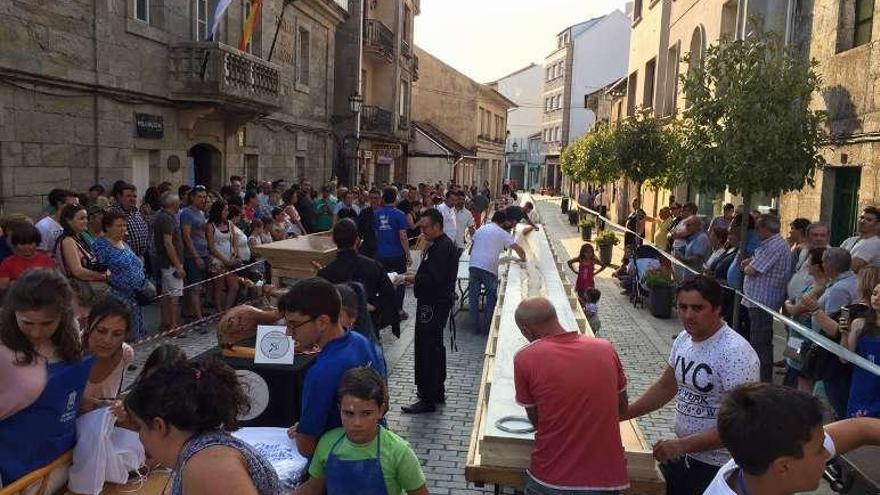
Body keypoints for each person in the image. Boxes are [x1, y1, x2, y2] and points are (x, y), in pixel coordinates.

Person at [623, 276, 759, 495]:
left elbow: (743, 425)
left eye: (697, 308)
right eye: (682, 307)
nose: (688, 315)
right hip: (684, 457)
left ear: (717, 309)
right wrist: (622, 414)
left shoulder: (736, 353)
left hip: (717, 467)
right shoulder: (684, 339)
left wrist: (682, 445)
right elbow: (666, 386)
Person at [513, 297, 629, 494]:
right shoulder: (606, 349)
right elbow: (621, 408)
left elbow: (538, 422)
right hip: (605, 480)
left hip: (550, 478)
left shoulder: (525, 358)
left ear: (526, 330)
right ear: (555, 318)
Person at [124, 359, 283, 495]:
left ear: (159, 425)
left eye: (139, 427)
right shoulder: (203, 452)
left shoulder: (209, 467)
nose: (140, 437)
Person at [0, 269, 93, 485]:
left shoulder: (70, 333)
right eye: (27, 323)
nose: (36, 333)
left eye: (47, 323)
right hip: (12, 469)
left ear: (63, 316)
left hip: (60, 459)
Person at [705, 382, 880, 495]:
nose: (827, 453)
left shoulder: (753, 461)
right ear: (784, 466)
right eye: (819, 450)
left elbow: (860, 429)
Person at [281, 278, 386, 457]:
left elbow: (306, 447)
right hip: (377, 449)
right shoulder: (361, 341)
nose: (288, 333)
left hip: (340, 466)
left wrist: (303, 432)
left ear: (322, 322)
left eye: (294, 324)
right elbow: (384, 402)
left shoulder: (321, 373)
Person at [295, 367, 428, 495]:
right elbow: (313, 487)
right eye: (349, 413)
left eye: (366, 413)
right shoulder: (328, 443)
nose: (357, 423)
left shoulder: (399, 452)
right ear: (339, 409)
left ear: (381, 410)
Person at [402, 209, 460, 414]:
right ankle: (435, 390)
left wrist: (411, 279)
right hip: (432, 303)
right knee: (433, 347)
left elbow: (434, 279)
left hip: (434, 305)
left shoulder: (442, 248)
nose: (423, 231)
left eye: (426, 227)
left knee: (428, 348)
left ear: (437, 226)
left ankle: (428, 397)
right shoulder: (437, 245)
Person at [317, 219, 400, 338]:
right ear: (357, 240)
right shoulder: (373, 266)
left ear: (334, 240)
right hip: (368, 327)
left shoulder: (325, 273)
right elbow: (389, 296)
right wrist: (373, 308)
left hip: (336, 332)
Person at [741, 214, 790, 382]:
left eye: (757, 228)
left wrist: (747, 266)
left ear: (765, 229)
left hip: (763, 301)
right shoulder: (769, 244)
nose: (756, 231)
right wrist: (749, 264)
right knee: (758, 340)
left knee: (760, 342)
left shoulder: (774, 246)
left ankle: (762, 381)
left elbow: (752, 270)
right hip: (757, 299)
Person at [468, 211, 527, 335]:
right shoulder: (502, 233)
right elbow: (518, 248)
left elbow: (472, 248)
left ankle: (473, 327)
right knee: (491, 297)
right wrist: (524, 259)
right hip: (488, 268)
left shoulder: (481, 229)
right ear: (503, 222)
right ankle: (487, 328)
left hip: (473, 265)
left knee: (473, 297)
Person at [94, 210, 147, 340]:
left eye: (124, 225)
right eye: (119, 225)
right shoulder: (100, 246)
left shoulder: (124, 243)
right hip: (117, 299)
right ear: (107, 227)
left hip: (135, 298)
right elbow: (99, 271)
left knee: (135, 334)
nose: (123, 228)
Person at [782, 247, 828, 392]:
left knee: (800, 374)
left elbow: (795, 308)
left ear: (816, 266)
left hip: (804, 339)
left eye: (809, 262)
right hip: (796, 335)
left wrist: (788, 303)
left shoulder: (820, 286)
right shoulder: (813, 284)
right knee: (792, 368)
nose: (807, 265)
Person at [54, 204, 111, 318]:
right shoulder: (68, 241)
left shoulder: (79, 238)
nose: (86, 221)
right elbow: (77, 271)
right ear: (68, 221)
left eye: (86, 217)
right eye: (81, 218)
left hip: (84, 293)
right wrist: (103, 276)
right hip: (78, 295)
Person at [80, 297, 135, 414]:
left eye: (117, 334)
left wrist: (118, 407)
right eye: (101, 331)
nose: (107, 340)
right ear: (89, 326)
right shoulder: (70, 351)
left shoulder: (126, 354)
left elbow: (115, 397)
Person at [374, 187, 411, 320]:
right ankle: (398, 310)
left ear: (383, 198)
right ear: (395, 198)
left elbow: (376, 234)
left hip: (381, 253)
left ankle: (384, 309)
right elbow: (403, 236)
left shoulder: (376, 214)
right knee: (400, 281)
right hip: (397, 254)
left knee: (383, 282)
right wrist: (408, 254)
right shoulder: (400, 214)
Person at [154, 193, 186, 333]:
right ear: (173, 204)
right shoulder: (166, 219)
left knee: (166, 294)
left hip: (166, 263)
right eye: (178, 202)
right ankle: (173, 326)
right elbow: (168, 244)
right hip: (171, 264)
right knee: (174, 296)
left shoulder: (163, 216)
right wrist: (178, 265)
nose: (180, 204)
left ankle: (165, 323)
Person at [180, 186, 210, 321]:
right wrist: (196, 256)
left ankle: (193, 311)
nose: (203, 200)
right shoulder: (187, 213)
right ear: (192, 197)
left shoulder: (201, 213)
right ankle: (198, 318)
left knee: (200, 286)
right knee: (195, 287)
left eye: (204, 197)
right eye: (200, 197)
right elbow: (186, 236)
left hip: (203, 252)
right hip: (193, 255)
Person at [206, 199, 240, 312]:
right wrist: (224, 260)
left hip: (230, 258)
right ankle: (219, 311)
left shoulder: (229, 224)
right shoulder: (210, 226)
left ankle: (227, 310)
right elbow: (211, 247)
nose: (227, 212)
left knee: (234, 286)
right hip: (217, 260)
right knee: (219, 287)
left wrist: (234, 254)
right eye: (225, 210)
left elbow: (234, 240)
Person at [0, 223, 56, 291]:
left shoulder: (46, 260)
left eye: (31, 243)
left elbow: (54, 282)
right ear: (16, 244)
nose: (27, 247)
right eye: (22, 244)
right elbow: (3, 287)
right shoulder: (7, 263)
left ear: (37, 243)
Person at [109, 183, 150, 262]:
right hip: (123, 259)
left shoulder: (136, 211)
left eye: (134, 196)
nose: (132, 199)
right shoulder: (113, 213)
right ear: (119, 197)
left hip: (139, 257)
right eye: (128, 196)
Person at [35, 188, 78, 261]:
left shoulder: (75, 223)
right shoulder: (44, 226)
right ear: (60, 204)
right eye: (72, 205)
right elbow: (40, 254)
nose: (77, 209)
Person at [840, 206, 880, 273]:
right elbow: (833, 261)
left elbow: (851, 269)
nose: (862, 221)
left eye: (869, 220)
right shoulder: (849, 240)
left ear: (878, 225)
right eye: (861, 218)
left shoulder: (874, 243)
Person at [357, 189, 382, 259]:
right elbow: (359, 233)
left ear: (380, 199)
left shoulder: (385, 213)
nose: (373, 200)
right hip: (367, 248)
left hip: (382, 249)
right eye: (371, 198)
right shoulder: (364, 213)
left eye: (376, 198)